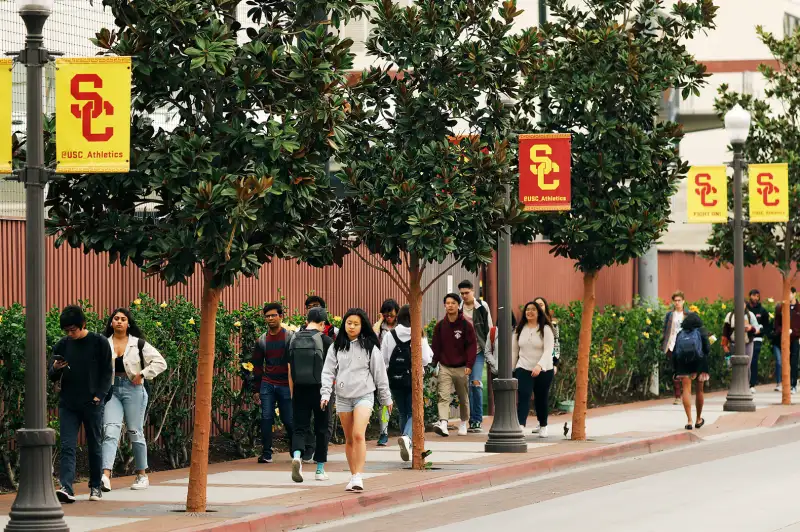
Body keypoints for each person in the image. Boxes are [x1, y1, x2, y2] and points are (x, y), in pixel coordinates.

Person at [321, 309, 393, 492]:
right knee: (349, 438)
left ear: (363, 326)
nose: (351, 326)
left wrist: (386, 398)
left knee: (358, 434)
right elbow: (328, 372)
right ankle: (353, 476)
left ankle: (359, 476)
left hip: (364, 395)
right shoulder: (336, 346)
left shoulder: (370, 347)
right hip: (344, 397)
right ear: (344, 324)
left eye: (356, 324)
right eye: (349, 323)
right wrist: (325, 394)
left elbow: (380, 374)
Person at [48, 305, 113, 504]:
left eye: (73, 330)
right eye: (66, 331)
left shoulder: (98, 342)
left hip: (92, 402)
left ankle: (95, 486)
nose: (70, 334)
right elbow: (51, 375)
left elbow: (107, 371)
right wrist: (56, 368)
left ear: (82, 324)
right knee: (67, 445)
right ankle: (66, 487)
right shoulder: (62, 345)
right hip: (68, 402)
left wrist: (99, 397)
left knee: (94, 444)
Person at [101, 308, 167, 492]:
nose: (119, 321)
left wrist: (143, 374)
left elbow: (161, 362)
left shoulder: (138, 344)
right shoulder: (103, 343)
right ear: (111, 323)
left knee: (135, 431)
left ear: (128, 323)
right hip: (111, 390)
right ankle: (105, 476)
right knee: (110, 430)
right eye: (116, 319)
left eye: (123, 319)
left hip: (134, 389)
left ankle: (142, 475)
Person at [288, 307, 335, 482]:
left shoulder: (293, 338)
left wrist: (293, 392)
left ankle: (298, 456)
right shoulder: (327, 340)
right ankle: (320, 469)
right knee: (322, 428)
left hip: (299, 388)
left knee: (300, 427)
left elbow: (289, 369)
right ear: (323, 324)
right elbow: (333, 368)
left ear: (307, 320)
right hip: (321, 390)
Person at [381, 304, 433, 461]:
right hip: (413, 379)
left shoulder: (390, 335)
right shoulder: (418, 334)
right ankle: (407, 438)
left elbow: (384, 359)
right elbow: (425, 359)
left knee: (404, 412)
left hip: (394, 379)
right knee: (415, 412)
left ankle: (407, 443)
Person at [252, 303, 294, 464]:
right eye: (267, 316)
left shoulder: (290, 337)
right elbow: (256, 365)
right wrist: (256, 389)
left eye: (273, 315)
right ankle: (267, 453)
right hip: (267, 383)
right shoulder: (262, 340)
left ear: (280, 316)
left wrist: (294, 386)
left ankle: (294, 448)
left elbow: (295, 362)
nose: (270, 318)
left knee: (288, 419)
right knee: (266, 417)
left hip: (285, 384)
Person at [431, 293, 477, 437]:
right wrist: (434, 364)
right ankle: (443, 423)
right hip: (445, 366)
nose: (450, 305)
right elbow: (436, 346)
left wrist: (469, 364)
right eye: (447, 303)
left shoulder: (466, 325)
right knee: (443, 396)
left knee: (463, 397)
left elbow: (472, 346)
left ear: (458, 305)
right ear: (444, 305)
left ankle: (463, 422)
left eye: (453, 303)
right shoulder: (440, 326)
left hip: (462, 367)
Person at [301, 295, 337, 461]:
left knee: (325, 418)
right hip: (307, 380)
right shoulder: (301, 332)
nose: (312, 308)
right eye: (309, 306)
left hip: (329, 381)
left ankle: (321, 450)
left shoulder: (333, 332)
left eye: (315, 306)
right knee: (305, 418)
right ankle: (309, 446)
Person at [512, 301, 555, 437]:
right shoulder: (519, 329)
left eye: (533, 310)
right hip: (523, 367)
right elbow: (514, 351)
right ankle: (521, 425)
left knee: (540, 398)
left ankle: (543, 425)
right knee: (524, 394)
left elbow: (549, 350)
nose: (529, 312)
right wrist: (512, 369)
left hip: (544, 369)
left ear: (539, 313)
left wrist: (539, 365)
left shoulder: (546, 329)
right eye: (527, 309)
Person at [458, 280, 493, 433]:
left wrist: (490, 349)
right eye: (462, 293)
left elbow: (489, 328)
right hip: (461, 353)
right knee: (463, 387)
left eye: (467, 293)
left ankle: (476, 420)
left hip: (478, 351)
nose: (464, 296)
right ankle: (465, 420)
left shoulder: (482, 306)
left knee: (476, 383)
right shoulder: (458, 308)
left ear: (473, 291)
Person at [672, 312, 711, 430]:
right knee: (699, 390)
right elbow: (707, 349)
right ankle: (698, 419)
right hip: (699, 362)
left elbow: (675, 352)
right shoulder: (702, 331)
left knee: (686, 391)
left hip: (683, 363)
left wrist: (675, 369)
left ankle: (689, 421)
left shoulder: (680, 333)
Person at [373, 299, 399, 446]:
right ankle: (384, 431)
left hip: (398, 368)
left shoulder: (400, 327)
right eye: (385, 313)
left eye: (391, 313)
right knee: (384, 402)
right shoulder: (380, 328)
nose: (388, 316)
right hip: (382, 369)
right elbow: (372, 333)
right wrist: (380, 320)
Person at [722, 304, 760, 384]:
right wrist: (724, 345)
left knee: (747, 365)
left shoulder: (750, 315)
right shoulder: (730, 315)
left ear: (745, 305)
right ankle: (736, 385)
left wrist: (751, 328)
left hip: (747, 343)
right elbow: (725, 332)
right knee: (735, 365)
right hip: (734, 344)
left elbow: (757, 329)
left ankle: (746, 385)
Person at [662, 291, 687, 405]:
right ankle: (677, 396)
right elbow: (665, 330)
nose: (677, 303)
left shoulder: (688, 314)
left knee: (685, 370)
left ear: (683, 301)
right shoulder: (670, 315)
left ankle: (685, 392)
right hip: (672, 344)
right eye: (675, 301)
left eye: (679, 301)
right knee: (675, 369)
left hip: (685, 345)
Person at [774, 288, 800, 393]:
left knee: (794, 362)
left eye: (789, 293)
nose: (787, 295)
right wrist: (783, 331)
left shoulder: (799, 308)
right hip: (784, 338)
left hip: (795, 339)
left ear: (794, 294)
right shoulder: (781, 308)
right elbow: (776, 325)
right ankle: (785, 383)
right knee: (784, 362)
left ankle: (793, 384)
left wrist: (794, 332)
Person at [747, 289, 770, 394]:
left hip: (757, 339)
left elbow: (767, 327)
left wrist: (760, 330)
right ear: (750, 296)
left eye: (757, 296)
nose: (756, 298)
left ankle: (752, 384)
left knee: (754, 360)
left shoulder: (763, 311)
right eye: (754, 296)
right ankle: (745, 382)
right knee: (746, 360)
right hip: (745, 339)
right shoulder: (745, 309)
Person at [534, 297, 561, 372]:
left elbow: (556, 344)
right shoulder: (529, 324)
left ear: (545, 307)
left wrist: (555, 364)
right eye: (536, 305)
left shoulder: (553, 325)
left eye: (541, 305)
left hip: (548, 363)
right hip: (531, 363)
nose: (539, 307)